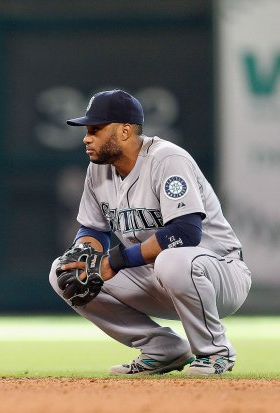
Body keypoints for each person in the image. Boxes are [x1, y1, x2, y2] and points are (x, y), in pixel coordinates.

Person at [49, 89, 251, 376]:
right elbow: (93, 228)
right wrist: (85, 250)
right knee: (64, 272)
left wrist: (114, 261)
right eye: (87, 130)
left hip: (218, 273)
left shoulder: (167, 159)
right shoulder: (98, 170)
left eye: (95, 129)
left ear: (124, 131)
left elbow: (185, 232)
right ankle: (162, 349)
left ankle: (215, 352)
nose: (86, 138)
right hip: (154, 276)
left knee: (172, 260)